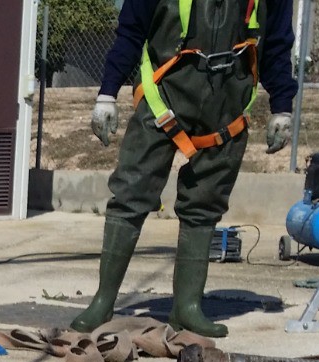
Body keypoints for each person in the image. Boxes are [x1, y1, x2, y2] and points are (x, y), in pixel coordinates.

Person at [70, 0, 296, 338]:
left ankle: (187, 308)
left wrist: (282, 106)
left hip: (227, 110)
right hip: (164, 98)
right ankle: (103, 302)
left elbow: (277, 44)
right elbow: (131, 31)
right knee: (131, 192)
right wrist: (107, 93)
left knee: (205, 204)